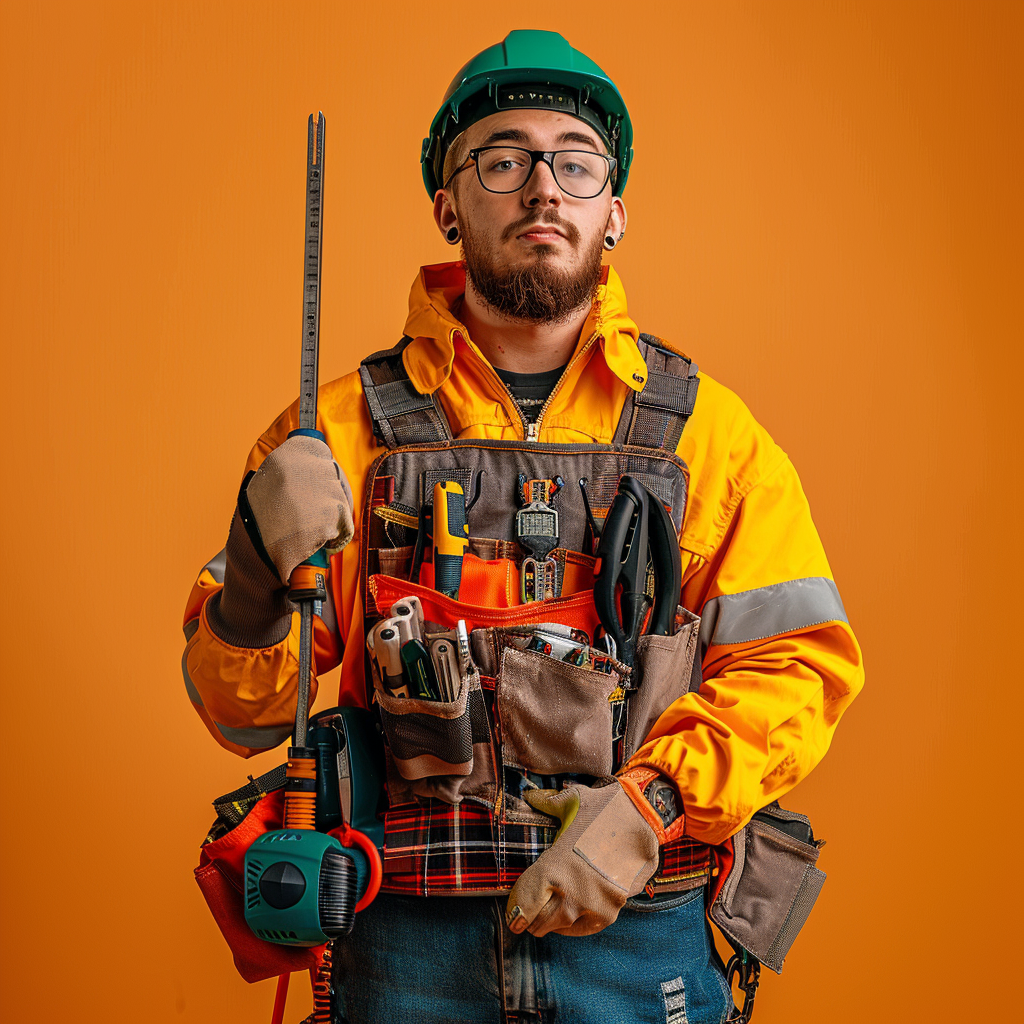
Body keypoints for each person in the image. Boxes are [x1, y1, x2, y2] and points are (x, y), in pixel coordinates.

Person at [183, 30, 864, 1024]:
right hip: (402, 942)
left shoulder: (710, 436)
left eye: (574, 163)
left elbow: (798, 666)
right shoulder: (330, 433)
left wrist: (646, 810)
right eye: (502, 159)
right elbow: (243, 714)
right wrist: (252, 571)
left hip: (638, 929)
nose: (543, 186)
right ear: (449, 206)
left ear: (613, 211)